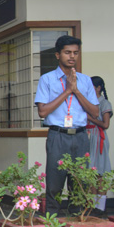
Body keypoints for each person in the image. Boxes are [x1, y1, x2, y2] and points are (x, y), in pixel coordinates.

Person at [34, 35, 99, 215]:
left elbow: (94, 112)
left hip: (80, 136)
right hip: (58, 136)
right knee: (54, 186)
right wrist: (68, 90)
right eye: (67, 52)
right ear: (57, 55)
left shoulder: (85, 81)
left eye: (75, 53)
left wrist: (76, 90)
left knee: (79, 185)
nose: (72, 56)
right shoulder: (47, 79)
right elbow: (43, 111)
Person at [86, 76, 112, 216]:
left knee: (99, 173)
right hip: (88, 137)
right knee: (90, 173)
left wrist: (90, 118)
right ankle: (92, 207)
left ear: (98, 88)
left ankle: (101, 208)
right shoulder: (88, 102)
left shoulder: (104, 103)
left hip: (98, 138)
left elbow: (105, 125)